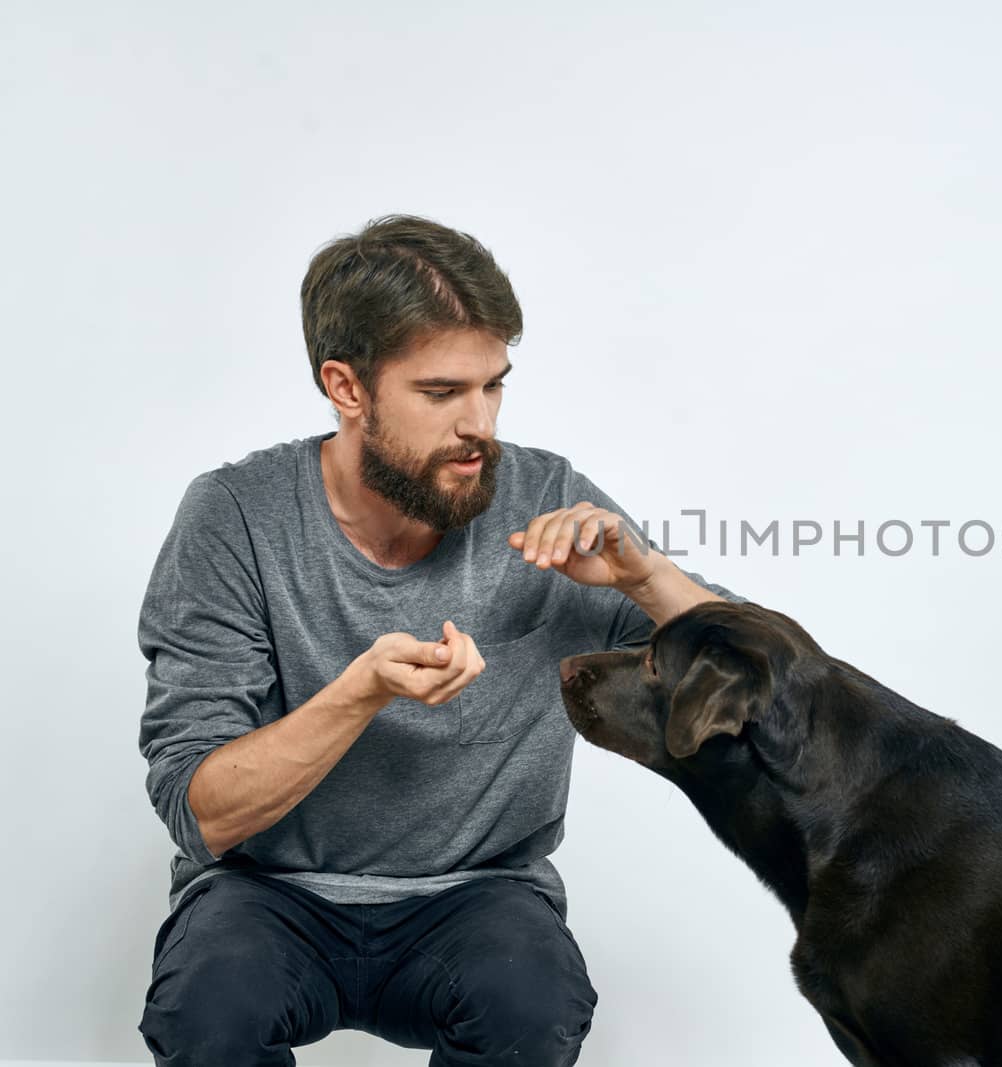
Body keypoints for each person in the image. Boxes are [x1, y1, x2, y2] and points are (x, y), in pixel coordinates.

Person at [135, 214, 746, 1066]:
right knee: (207, 1008)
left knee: (532, 1002)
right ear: (346, 387)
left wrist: (647, 578)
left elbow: (763, 673)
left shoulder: (542, 496)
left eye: (493, 385)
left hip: (479, 895)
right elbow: (201, 811)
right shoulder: (236, 516)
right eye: (441, 392)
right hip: (267, 894)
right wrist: (361, 692)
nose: (481, 423)